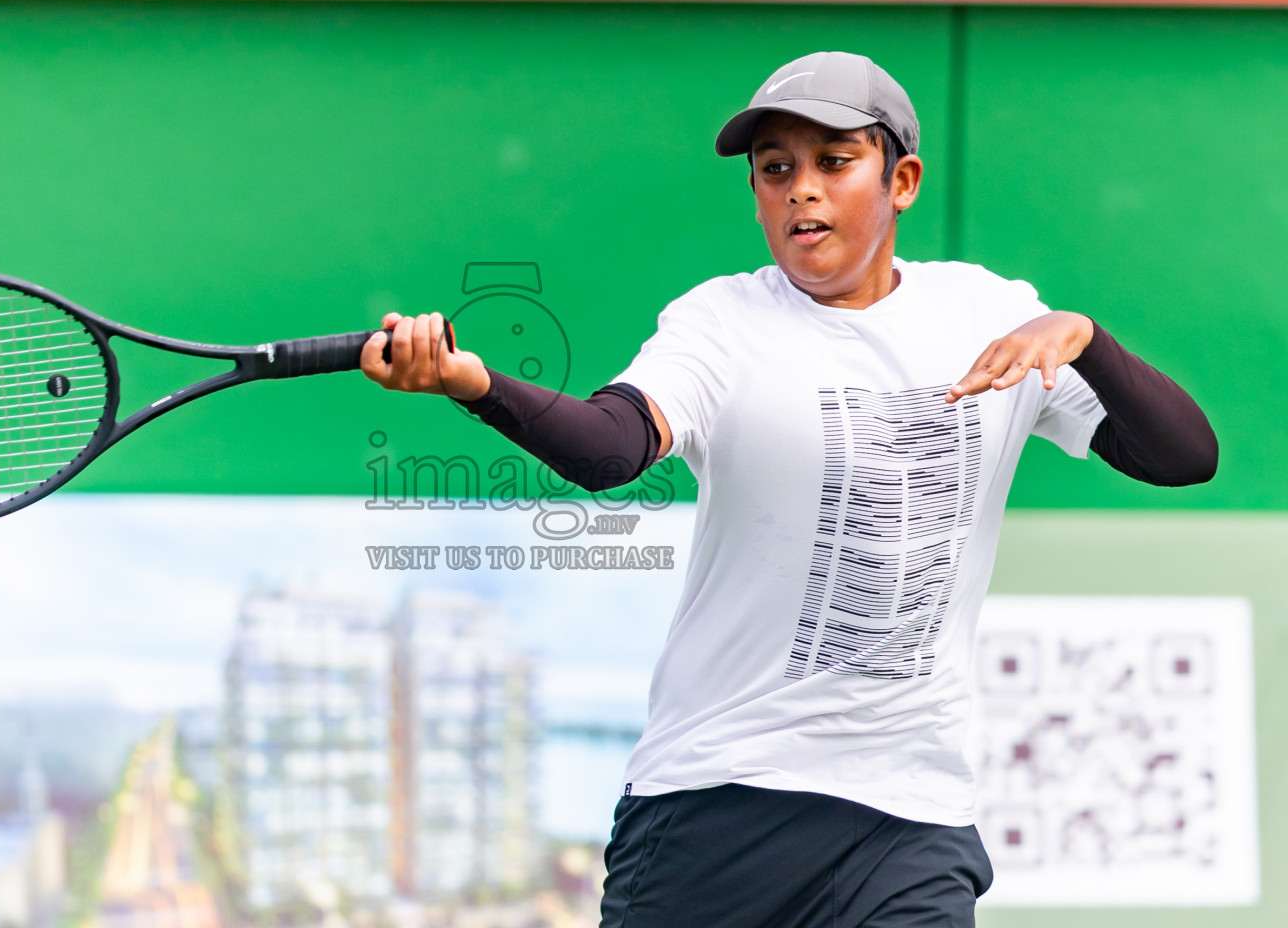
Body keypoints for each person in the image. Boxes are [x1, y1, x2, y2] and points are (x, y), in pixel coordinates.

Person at [359, 51, 1216, 927]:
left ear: (903, 180)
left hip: (909, 819)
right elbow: (609, 449)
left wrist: (1086, 339)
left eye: (834, 161)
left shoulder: (988, 316)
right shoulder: (721, 323)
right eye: (776, 170)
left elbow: (1184, 457)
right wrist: (473, 384)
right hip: (715, 808)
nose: (801, 189)